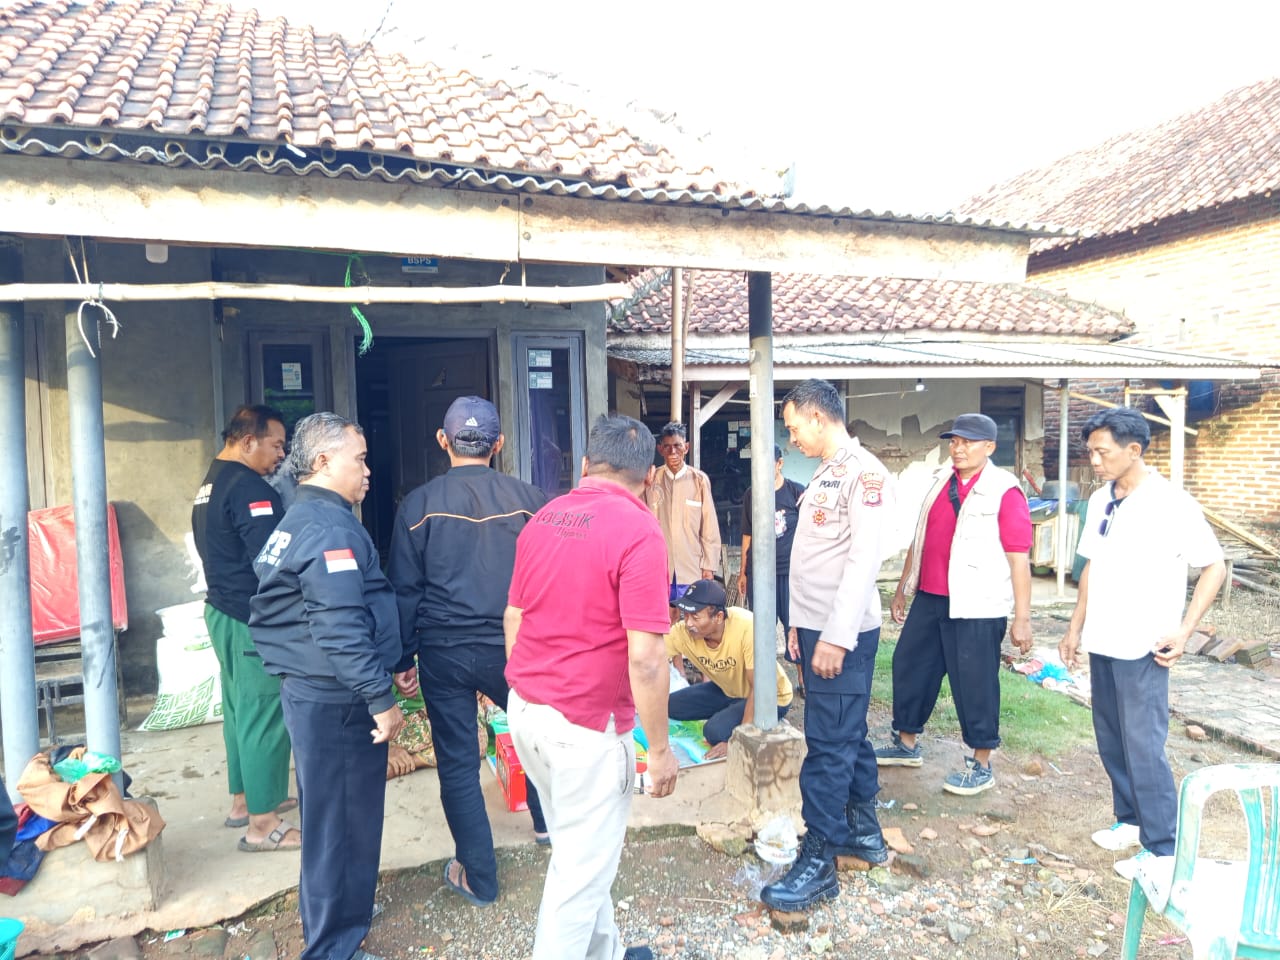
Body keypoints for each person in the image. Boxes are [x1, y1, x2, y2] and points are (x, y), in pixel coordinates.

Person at [504, 414, 678, 960]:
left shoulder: (544, 517)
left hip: (527, 711)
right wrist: (661, 751)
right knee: (577, 881)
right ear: (649, 477)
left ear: (584, 465)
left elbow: (514, 616)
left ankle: (607, 952)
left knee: (581, 852)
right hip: (586, 731)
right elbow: (647, 657)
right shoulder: (640, 531)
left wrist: (534, 687)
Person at [250, 412, 405, 960]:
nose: (368, 470)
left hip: (316, 691)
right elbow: (338, 625)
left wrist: (391, 658)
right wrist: (380, 697)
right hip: (338, 698)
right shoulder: (329, 529)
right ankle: (334, 946)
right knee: (341, 823)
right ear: (322, 461)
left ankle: (339, 915)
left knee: (333, 819)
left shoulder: (301, 517)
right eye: (359, 459)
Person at [387, 395, 549, 907]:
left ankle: (479, 877)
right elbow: (552, 579)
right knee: (537, 739)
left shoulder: (418, 505)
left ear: (443, 440)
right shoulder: (532, 500)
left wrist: (401, 659)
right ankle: (549, 827)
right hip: (516, 648)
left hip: (444, 653)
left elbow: (404, 591)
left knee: (458, 763)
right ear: (498, 444)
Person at [1059, 407, 1224, 880]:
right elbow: (1091, 565)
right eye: (1091, 452)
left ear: (1134, 450)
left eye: (1102, 452)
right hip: (1104, 638)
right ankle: (1130, 821)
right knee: (1111, 736)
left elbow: (1213, 566)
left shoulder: (1171, 503)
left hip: (1147, 644)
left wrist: (1185, 630)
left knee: (1143, 744)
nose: (1094, 461)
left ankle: (1163, 847)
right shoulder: (1101, 500)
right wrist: (1074, 627)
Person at [760, 378, 895, 913]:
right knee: (849, 733)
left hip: (844, 632)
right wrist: (798, 626)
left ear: (817, 416)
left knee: (828, 744)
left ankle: (819, 860)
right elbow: (814, 557)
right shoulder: (825, 471)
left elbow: (862, 562)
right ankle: (863, 831)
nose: (791, 438)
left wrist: (836, 637)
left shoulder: (864, 474)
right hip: (817, 627)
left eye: (794, 427)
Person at [877, 413, 1034, 794]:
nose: (958, 448)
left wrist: (1022, 618)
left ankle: (982, 762)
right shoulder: (940, 482)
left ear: (989, 447)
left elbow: (1019, 558)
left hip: (977, 604)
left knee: (974, 682)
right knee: (910, 666)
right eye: (954, 441)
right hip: (931, 596)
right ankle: (906, 743)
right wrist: (903, 587)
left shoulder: (1004, 490)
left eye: (968, 442)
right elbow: (920, 539)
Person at [190, 404, 298, 851]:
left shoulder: (211, 482)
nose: (281, 455)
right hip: (249, 617)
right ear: (248, 441)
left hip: (222, 610)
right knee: (263, 712)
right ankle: (263, 825)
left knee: (238, 710)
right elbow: (271, 560)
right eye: (277, 445)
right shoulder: (250, 488)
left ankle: (245, 800)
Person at [666, 579, 793, 759]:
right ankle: (734, 711)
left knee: (714, 732)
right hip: (729, 690)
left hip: (770, 696)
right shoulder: (683, 632)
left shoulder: (747, 626)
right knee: (670, 706)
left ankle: (766, 724)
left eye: (695, 617)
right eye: (685, 615)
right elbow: (649, 658)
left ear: (718, 617)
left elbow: (761, 688)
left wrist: (739, 739)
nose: (688, 623)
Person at [736, 443, 807, 695]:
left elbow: (809, 533)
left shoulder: (797, 492)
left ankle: (803, 679)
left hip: (790, 573)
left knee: (794, 625)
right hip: (760, 574)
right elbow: (747, 534)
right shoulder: (752, 494)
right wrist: (743, 571)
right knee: (761, 628)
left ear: (779, 464)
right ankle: (764, 682)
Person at [644, 421, 722, 606]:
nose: (673, 452)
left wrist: (709, 566)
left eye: (677, 446)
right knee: (663, 618)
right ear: (660, 450)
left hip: (691, 568)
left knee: (691, 617)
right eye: (667, 447)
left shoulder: (699, 480)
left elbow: (709, 527)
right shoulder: (651, 481)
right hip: (658, 567)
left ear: (686, 448)